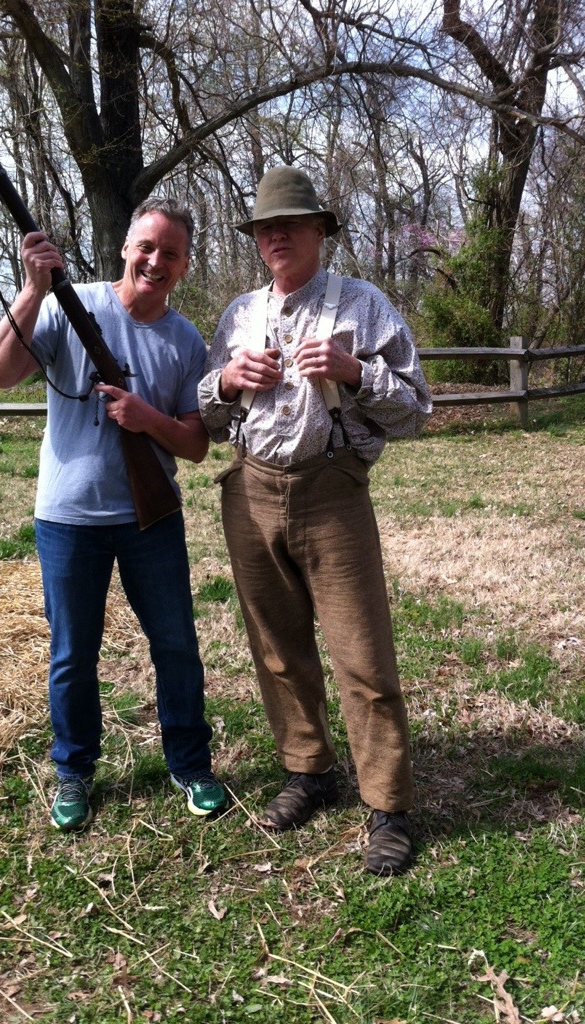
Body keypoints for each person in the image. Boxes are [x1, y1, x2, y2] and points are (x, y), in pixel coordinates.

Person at [198, 166, 431, 875]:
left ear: (320, 233)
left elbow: (416, 412)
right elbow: (206, 416)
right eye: (266, 228)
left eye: (291, 225)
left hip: (332, 492)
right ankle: (307, 769)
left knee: (362, 656)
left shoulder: (363, 305)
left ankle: (386, 806)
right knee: (276, 648)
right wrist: (228, 382)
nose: (277, 237)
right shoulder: (238, 314)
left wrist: (355, 372)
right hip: (249, 491)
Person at [0, 197, 228, 832]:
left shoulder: (185, 340)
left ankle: (191, 764)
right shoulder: (73, 306)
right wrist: (32, 288)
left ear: (183, 265)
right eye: (146, 247)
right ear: (126, 246)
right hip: (67, 517)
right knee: (72, 653)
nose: (155, 261)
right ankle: (74, 772)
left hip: (152, 518)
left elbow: (198, 444)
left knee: (176, 645)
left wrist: (147, 418)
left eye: (170, 253)